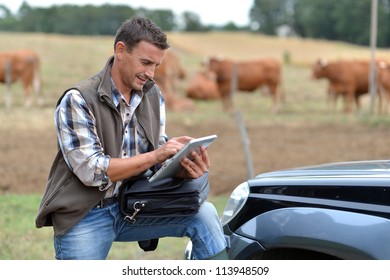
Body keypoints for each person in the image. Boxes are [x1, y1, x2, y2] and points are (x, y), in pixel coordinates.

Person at [35, 17, 228, 260]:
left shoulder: (153, 94)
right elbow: (91, 170)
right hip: (85, 214)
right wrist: (157, 154)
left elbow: (156, 154)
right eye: (145, 62)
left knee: (205, 216)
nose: (151, 73)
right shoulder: (78, 99)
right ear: (120, 50)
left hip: (134, 204)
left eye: (156, 65)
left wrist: (180, 166)